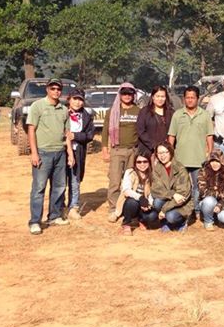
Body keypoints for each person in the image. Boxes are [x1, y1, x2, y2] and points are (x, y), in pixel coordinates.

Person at [27, 78, 75, 235]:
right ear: (47, 89)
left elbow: (67, 133)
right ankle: (35, 221)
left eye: (58, 89)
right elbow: (31, 130)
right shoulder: (37, 106)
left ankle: (54, 216)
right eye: (53, 88)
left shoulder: (63, 109)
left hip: (60, 153)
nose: (56, 91)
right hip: (43, 153)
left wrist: (70, 154)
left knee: (59, 187)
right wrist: (34, 153)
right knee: (39, 188)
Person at [168, 86, 214, 217]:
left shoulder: (205, 115)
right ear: (184, 99)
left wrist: (210, 153)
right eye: (187, 97)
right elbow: (171, 136)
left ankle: (197, 210)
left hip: (199, 158)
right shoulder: (177, 115)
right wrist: (170, 154)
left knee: (198, 186)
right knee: (181, 186)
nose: (190, 100)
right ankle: (182, 209)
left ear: (197, 99)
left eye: (192, 97)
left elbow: (209, 136)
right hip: (180, 158)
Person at [101, 83, 141, 222]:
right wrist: (105, 150)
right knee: (115, 180)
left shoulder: (138, 111)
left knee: (132, 180)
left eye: (130, 93)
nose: (127, 96)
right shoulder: (112, 111)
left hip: (133, 150)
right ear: (119, 94)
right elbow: (105, 131)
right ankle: (114, 209)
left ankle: (130, 208)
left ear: (134, 95)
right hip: (117, 150)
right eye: (124, 93)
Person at [142, 142, 192, 232]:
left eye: (165, 152)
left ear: (171, 152)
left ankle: (182, 222)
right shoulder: (157, 169)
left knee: (171, 216)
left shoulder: (180, 169)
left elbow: (182, 195)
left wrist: (164, 210)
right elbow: (155, 190)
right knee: (157, 202)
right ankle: (165, 222)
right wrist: (172, 194)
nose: (162, 155)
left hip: (181, 204)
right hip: (168, 199)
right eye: (160, 153)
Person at [66, 88, 95, 220]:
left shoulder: (86, 116)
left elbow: (89, 135)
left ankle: (74, 207)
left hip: (78, 152)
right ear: (69, 99)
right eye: (75, 99)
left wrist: (75, 136)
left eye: (80, 100)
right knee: (59, 180)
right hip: (61, 151)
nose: (77, 102)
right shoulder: (61, 112)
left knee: (75, 180)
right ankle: (59, 207)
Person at [198, 149, 224, 230]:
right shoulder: (203, 172)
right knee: (209, 201)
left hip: (223, 202)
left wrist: (220, 205)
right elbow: (203, 192)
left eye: (217, 161)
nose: (214, 164)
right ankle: (208, 221)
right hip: (207, 201)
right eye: (212, 161)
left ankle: (217, 217)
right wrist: (219, 193)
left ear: (222, 162)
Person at [118, 152, 153, 236]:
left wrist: (149, 203)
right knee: (131, 202)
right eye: (139, 162)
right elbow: (126, 190)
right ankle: (126, 223)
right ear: (135, 163)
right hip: (131, 202)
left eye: (145, 161)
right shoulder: (130, 172)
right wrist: (140, 198)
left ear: (149, 162)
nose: (142, 164)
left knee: (152, 216)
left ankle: (141, 220)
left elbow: (153, 192)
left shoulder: (152, 175)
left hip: (145, 203)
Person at [137, 85, 174, 157]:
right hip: (148, 150)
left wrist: (168, 146)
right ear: (153, 97)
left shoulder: (171, 112)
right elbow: (141, 131)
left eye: (162, 96)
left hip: (166, 151)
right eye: (157, 96)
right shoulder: (145, 112)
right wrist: (154, 145)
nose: (160, 99)